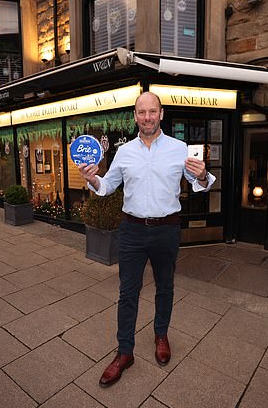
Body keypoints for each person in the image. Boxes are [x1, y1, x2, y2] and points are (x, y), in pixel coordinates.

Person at [78, 91, 215, 387]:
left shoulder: (180, 149)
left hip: (166, 230)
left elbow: (199, 185)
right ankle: (124, 352)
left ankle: (161, 334)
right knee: (127, 293)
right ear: (135, 116)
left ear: (161, 114)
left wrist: (203, 175)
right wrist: (93, 180)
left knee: (165, 287)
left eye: (153, 111)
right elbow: (108, 185)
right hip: (132, 230)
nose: (147, 117)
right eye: (142, 112)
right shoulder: (125, 152)